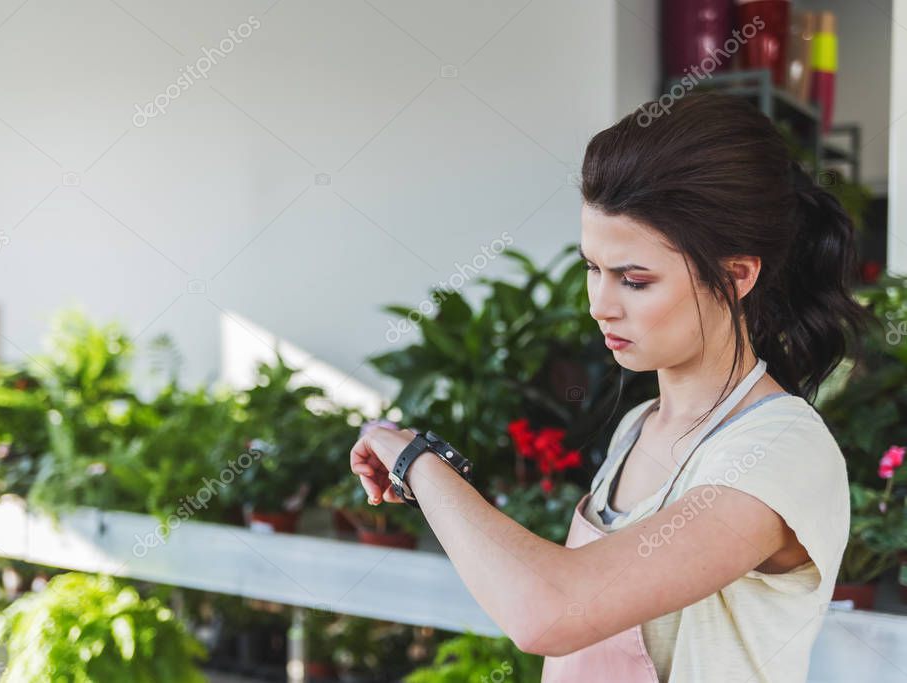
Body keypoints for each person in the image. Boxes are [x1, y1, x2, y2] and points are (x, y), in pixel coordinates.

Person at [350, 91, 874, 682]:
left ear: (736, 275)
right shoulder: (637, 427)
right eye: (592, 269)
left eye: (635, 280)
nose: (600, 305)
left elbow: (552, 613)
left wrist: (417, 460)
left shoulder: (779, 451)